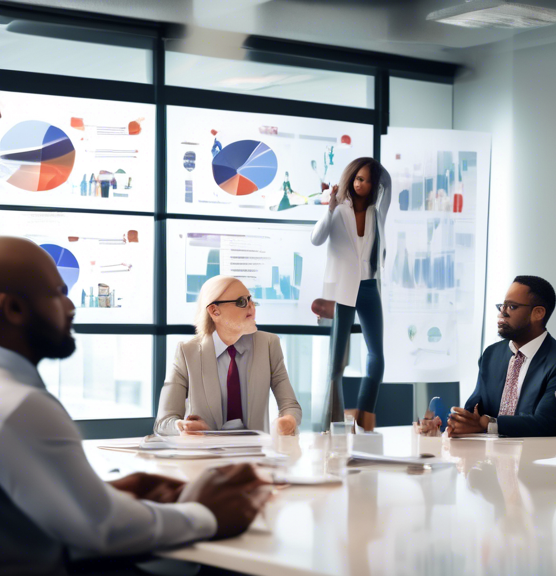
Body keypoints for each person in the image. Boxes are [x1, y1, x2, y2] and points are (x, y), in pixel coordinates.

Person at [0, 236, 271, 573]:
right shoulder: (22, 407)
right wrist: (209, 513)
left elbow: (20, 506)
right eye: (58, 293)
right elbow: (104, 529)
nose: (71, 307)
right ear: (13, 309)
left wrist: (105, 493)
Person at [424, 276, 556, 437]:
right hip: (490, 455)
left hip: (535, 455)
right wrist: (447, 423)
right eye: (502, 306)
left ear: (538, 313)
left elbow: (546, 423)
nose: (502, 312)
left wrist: (488, 425)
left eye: (512, 307)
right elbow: (473, 410)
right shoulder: (491, 354)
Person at [155, 275, 302, 436]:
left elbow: (291, 405)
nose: (252, 307)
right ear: (214, 311)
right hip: (206, 455)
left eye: (251, 300)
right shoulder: (187, 352)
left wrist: (287, 421)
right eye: (241, 302)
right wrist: (182, 426)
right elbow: (163, 422)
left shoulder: (269, 344)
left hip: (255, 454)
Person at [310, 157, 392, 432]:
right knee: (336, 363)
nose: (363, 185)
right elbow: (316, 239)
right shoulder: (339, 210)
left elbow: (388, 185)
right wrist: (330, 208)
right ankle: (330, 423)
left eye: (369, 180)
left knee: (377, 357)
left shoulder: (376, 212)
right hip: (343, 290)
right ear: (350, 179)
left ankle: (364, 419)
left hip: (369, 287)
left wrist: (377, 167)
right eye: (359, 178)